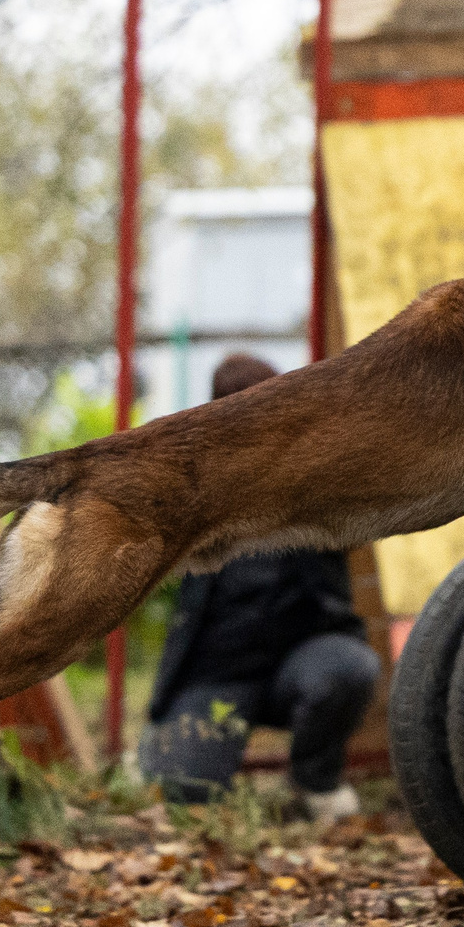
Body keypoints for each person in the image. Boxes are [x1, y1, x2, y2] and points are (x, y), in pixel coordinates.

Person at [139, 352, 382, 821]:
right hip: (220, 675)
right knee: (184, 794)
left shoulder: (316, 478)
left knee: (348, 669)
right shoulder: (194, 486)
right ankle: (182, 765)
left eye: (263, 412)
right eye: (236, 416)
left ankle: (315, 783)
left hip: (302, 660)